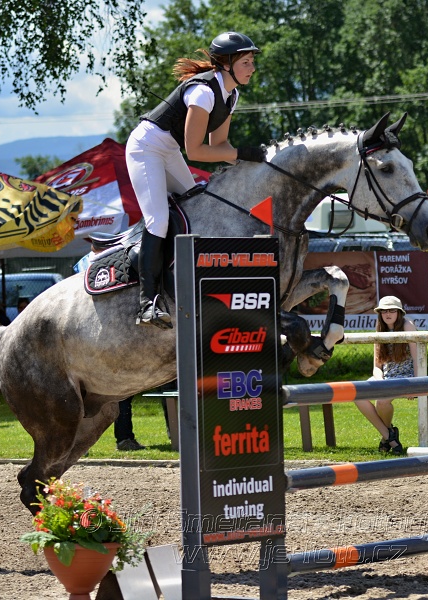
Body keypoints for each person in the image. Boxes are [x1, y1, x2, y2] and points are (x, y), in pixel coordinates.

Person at [126, 31, 264, 329]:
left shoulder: (231, 94)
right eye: (247, 62)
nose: (252, 68)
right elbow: (197, 150)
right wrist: (242, 153)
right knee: (159, 220)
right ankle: (146, 304)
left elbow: (220, 146)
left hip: (168, 149)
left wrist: (254, 161)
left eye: (252, 61)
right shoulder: (202, 92)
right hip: (146, 148)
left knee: (198, 206)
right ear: (226, 64)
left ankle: (181, 280)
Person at [73, 246, 146, 452]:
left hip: (90, 334)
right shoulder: (113, 260)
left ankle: (114, 439)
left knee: (88, 394)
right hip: (103, 335)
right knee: (118, 393)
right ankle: (122, 439)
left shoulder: (84, 263)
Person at [354, 296, 419, 455]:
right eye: (383, 311)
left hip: (406, 376)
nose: (387, 314)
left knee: (381, 401)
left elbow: (419, 358)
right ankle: (389, 434)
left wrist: (418, 383)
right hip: (385, 377)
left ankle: (387, 438)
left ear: (399, 312)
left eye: (392, 310)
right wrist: (380, 380)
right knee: (357, 395)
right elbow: (377, 366)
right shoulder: (380, 329)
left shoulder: (407, 325)